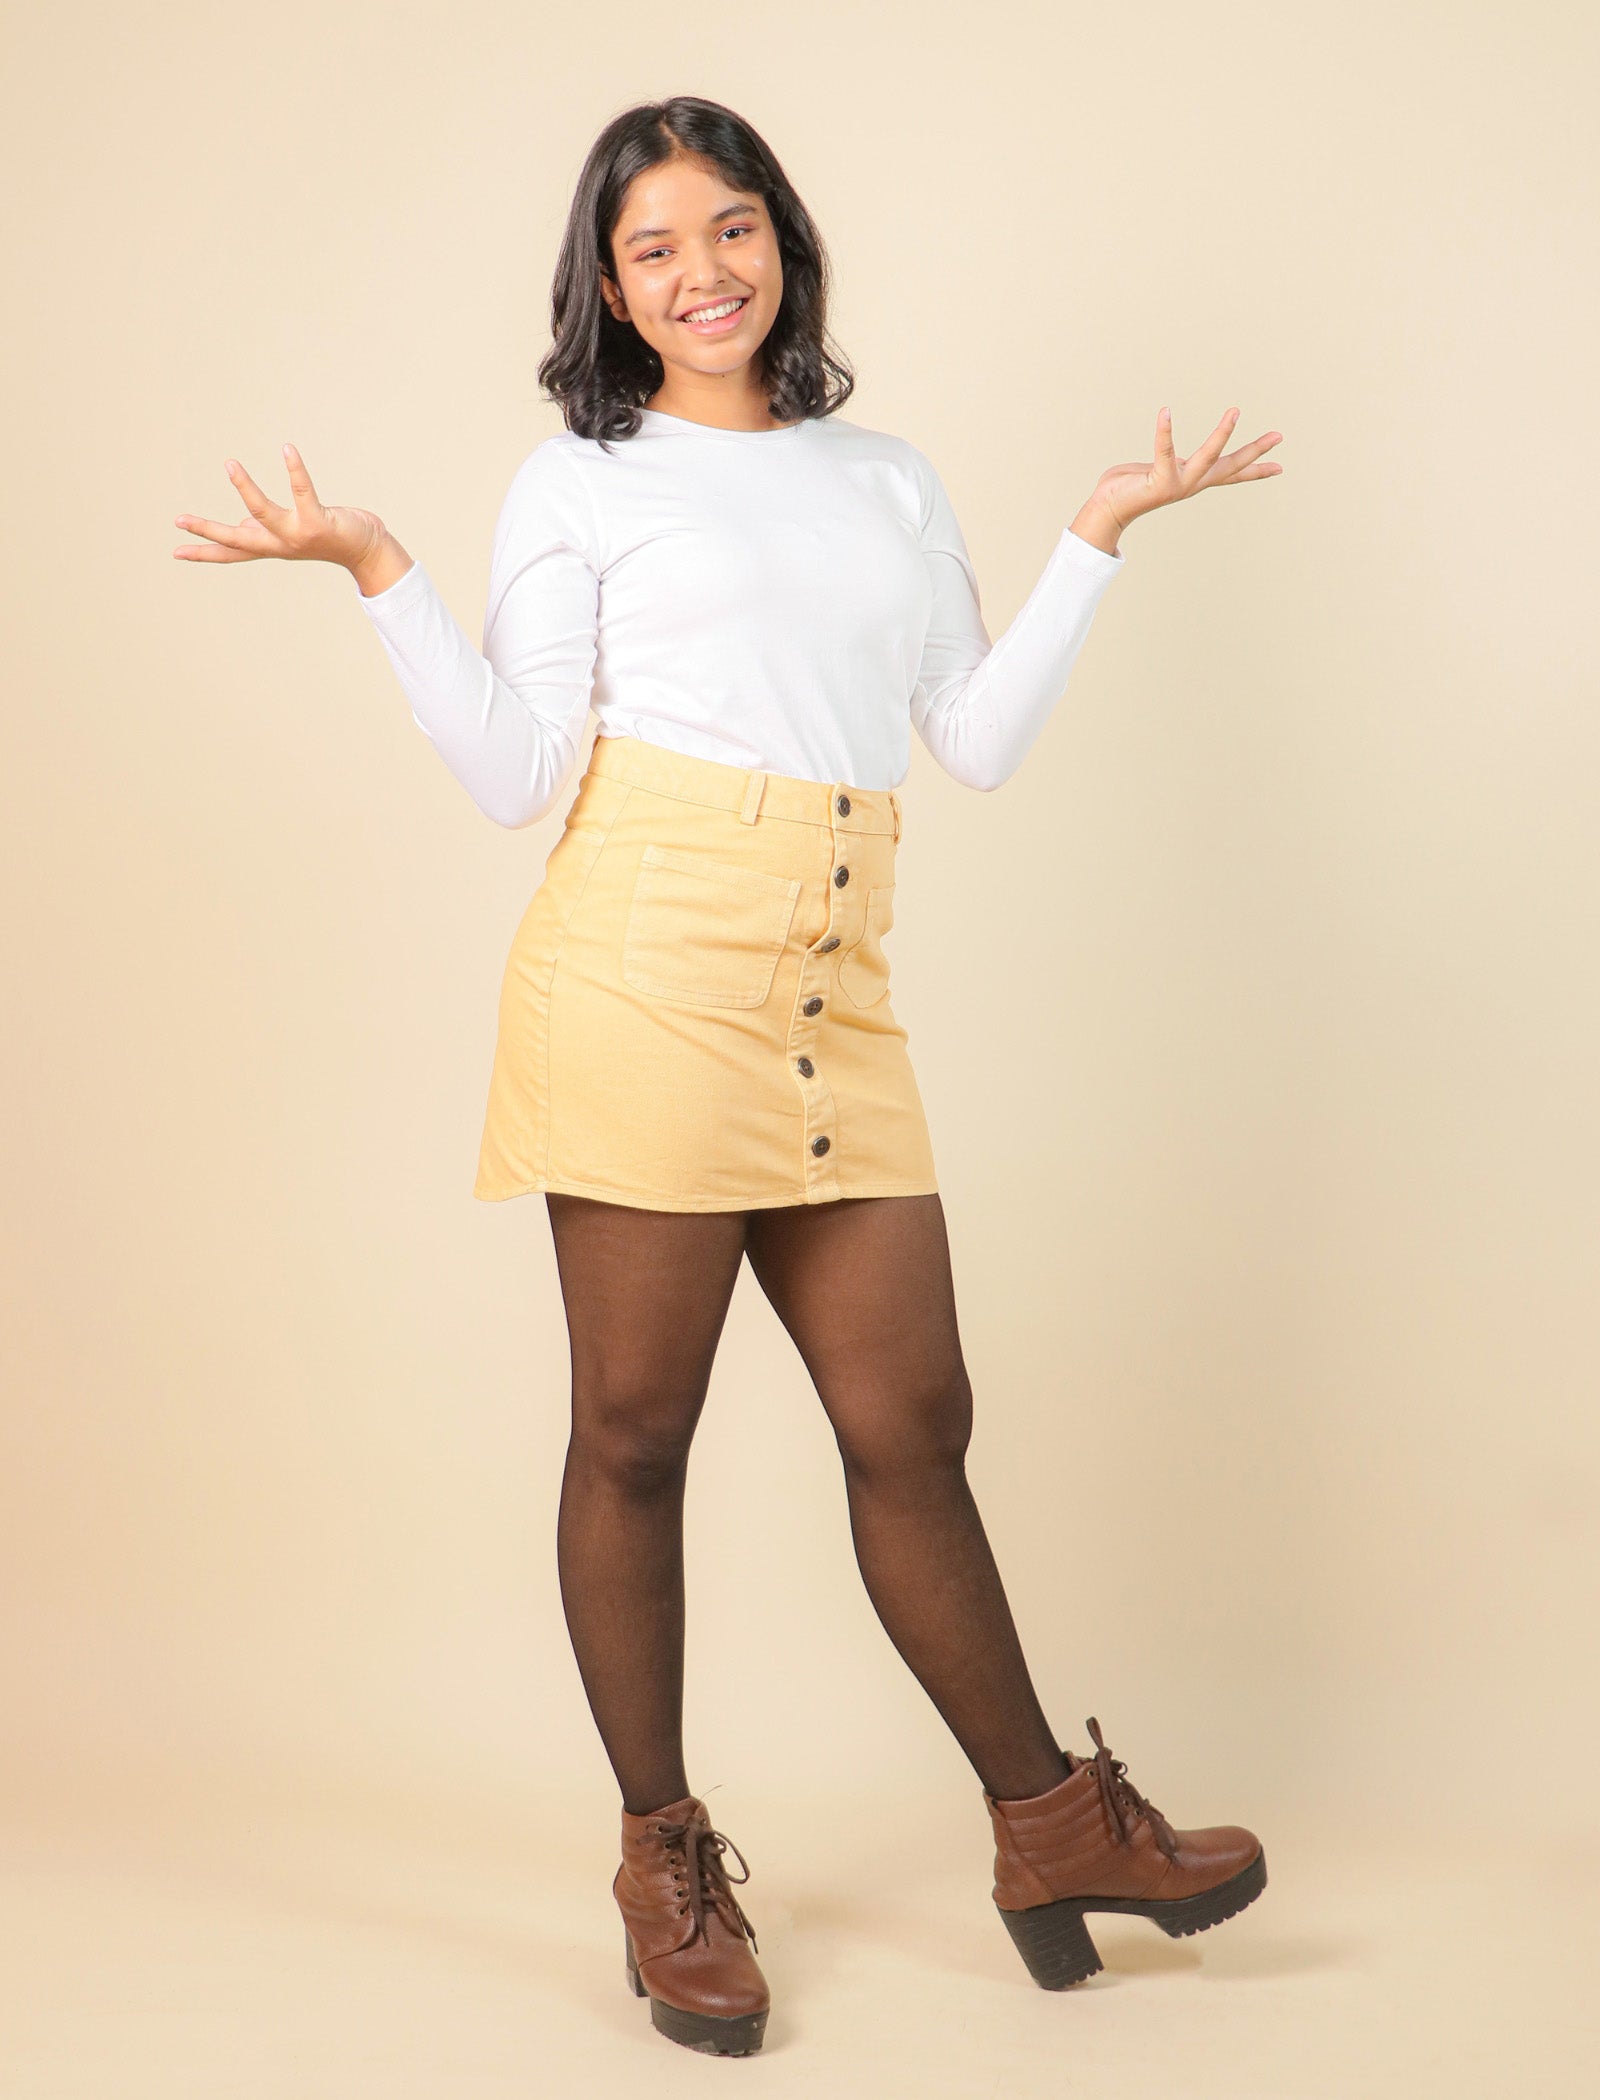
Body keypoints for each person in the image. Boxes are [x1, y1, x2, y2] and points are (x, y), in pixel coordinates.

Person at [174, 93, 1285, 2060]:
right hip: (644, 964)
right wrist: (371, 566)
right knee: (636, 1432)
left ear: (784, 242)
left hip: (834, 974)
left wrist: (1092, 540)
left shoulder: (881, 475)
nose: (703, 273)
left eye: (731, 228)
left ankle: (1046, 1829)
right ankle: (660, 1852)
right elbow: (519, 771)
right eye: (654, 247)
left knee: (911, 1416)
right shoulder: (578, 480)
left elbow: (972, 735)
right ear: (605, 285)